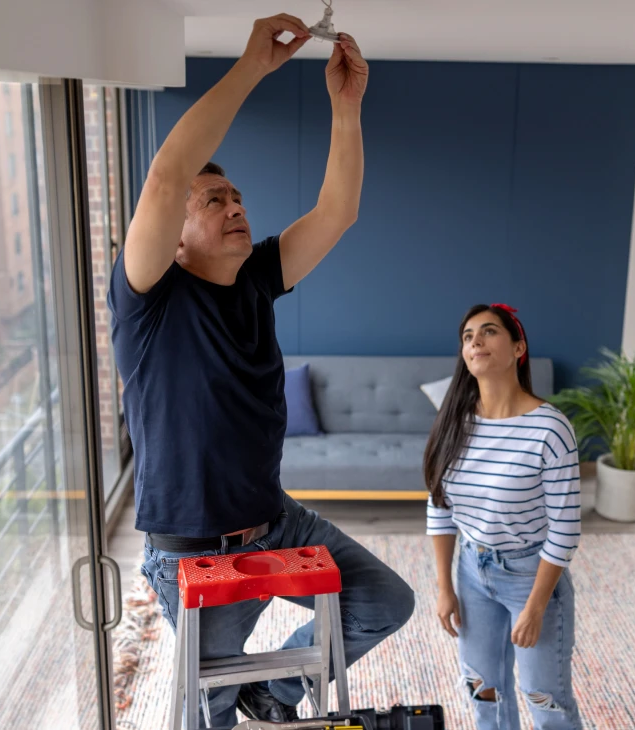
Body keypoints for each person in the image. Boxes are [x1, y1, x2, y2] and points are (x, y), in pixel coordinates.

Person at [107, 12, 414, 727]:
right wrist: (253, 66)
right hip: (193, 553)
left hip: (276, 523)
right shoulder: (147, 300)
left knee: (384, 602)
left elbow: (336, 212)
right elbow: (164, 178)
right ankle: (234, 697)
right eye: (214, 200)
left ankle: (273, 692)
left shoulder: (256, 278)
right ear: (176, 236)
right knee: (205, 711)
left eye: (238, 197)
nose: (236, 206)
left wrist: (346, 107)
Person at [424, 304, 584, 730]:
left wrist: (534, 608)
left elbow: (566, 531)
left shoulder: (550, 428)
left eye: (489, 331)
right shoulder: (455, 420)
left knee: (546, 700)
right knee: (483, 690)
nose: (475, 340)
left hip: (532, 577)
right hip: (472, 572)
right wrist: (444, 587)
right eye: (467, 335)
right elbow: (440, 507)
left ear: (518, 348)